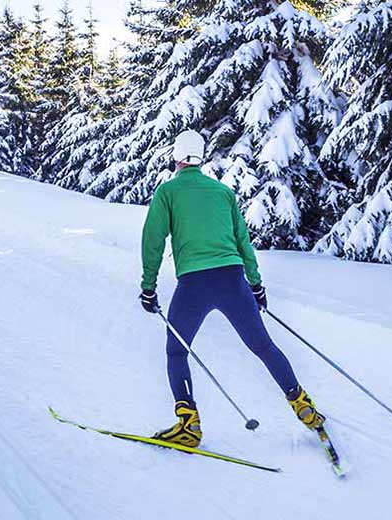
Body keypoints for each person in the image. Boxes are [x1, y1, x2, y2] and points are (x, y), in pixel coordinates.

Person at [139, 129, 325, 448]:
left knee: (176, 350)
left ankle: (188, 424)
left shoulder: (167, 192)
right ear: (202, 156)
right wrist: (256, 285)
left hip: (194, 284)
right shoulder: (223, 192)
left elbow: (153, 240)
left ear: (176, 156)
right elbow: (243, 243)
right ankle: (304, 407)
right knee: (263, 346)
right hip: (232, 279)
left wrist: (148, 286)